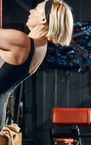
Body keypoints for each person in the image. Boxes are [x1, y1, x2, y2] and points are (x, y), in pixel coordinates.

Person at [0, 0, 73, 131]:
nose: (30, 11)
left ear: (44, 18)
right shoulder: (41, 47)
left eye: (36, 9)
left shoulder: (21, 41)